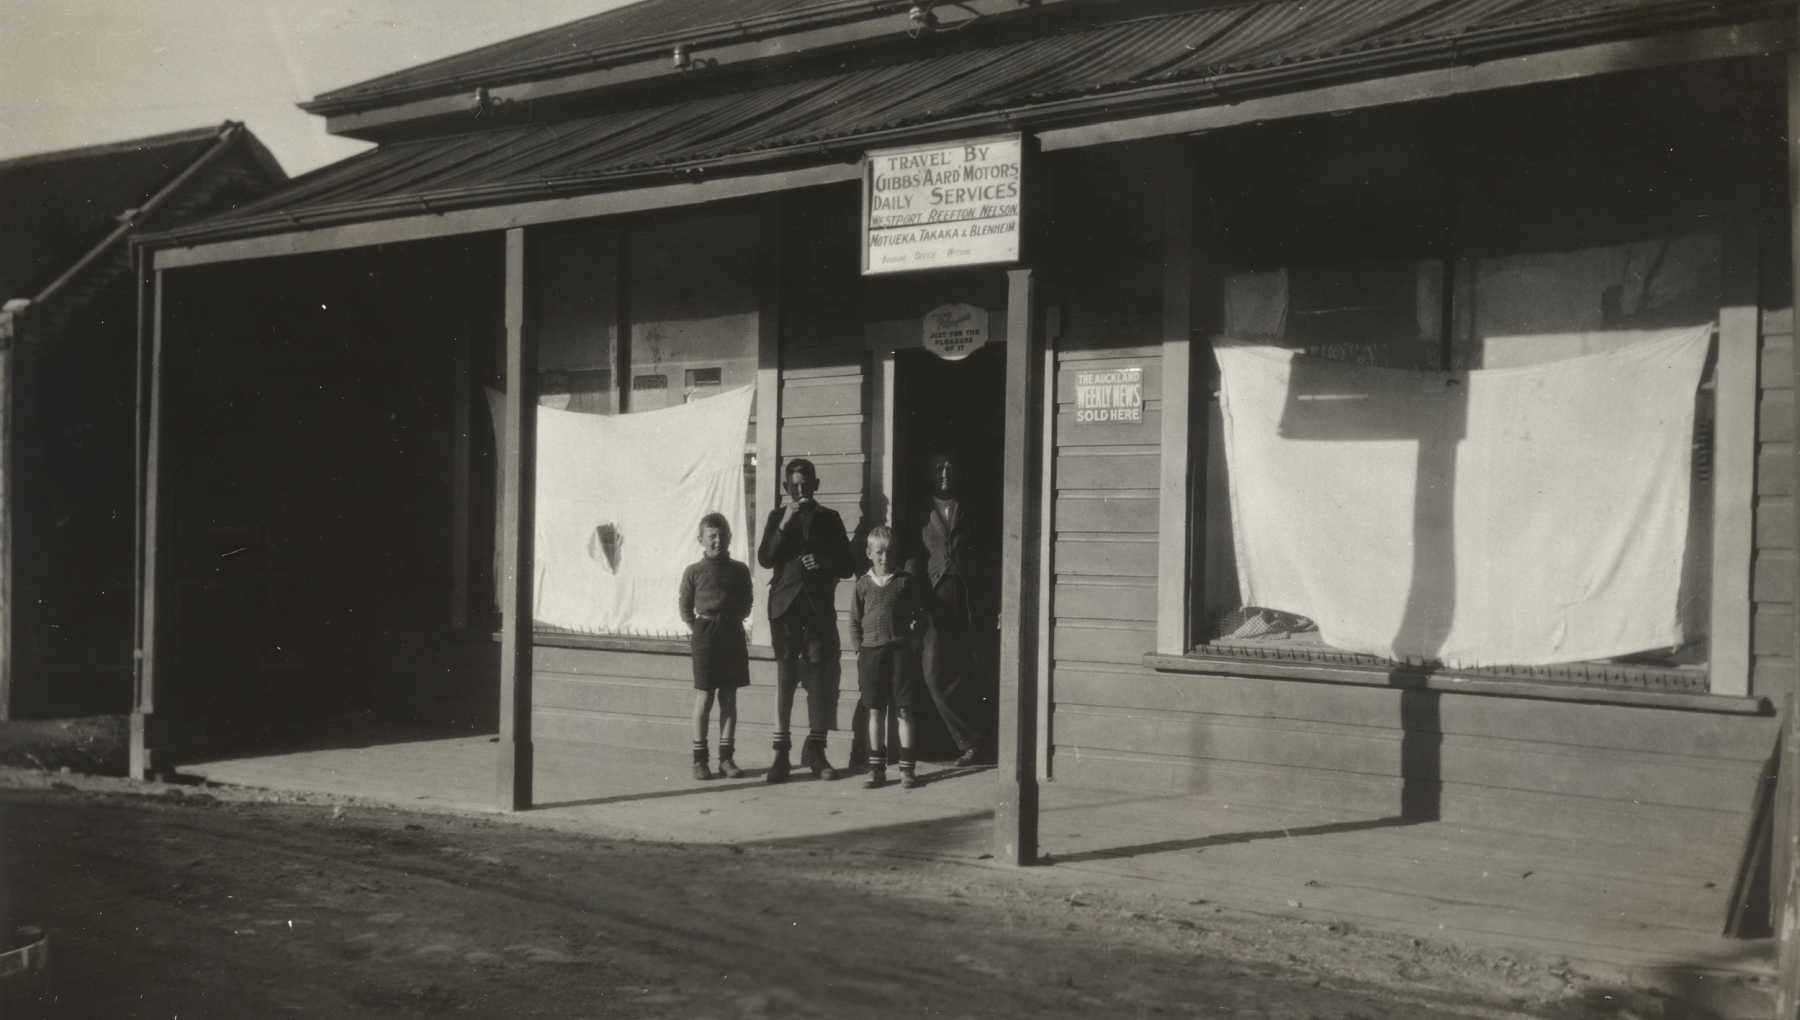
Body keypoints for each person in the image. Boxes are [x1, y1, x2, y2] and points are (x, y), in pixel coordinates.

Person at [757, 458, 855, 782]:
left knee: (816, 682)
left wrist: (823, 561)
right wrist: (784, 524)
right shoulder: (777, 517)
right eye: (794, 486)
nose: (801, 491)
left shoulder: (831, 519)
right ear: (786, 488)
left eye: (806, 485)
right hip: (785, 609)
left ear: (816, 484)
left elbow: (847, 566)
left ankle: (817, 752)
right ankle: (781, 757)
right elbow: (765, 558)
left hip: (817, 610)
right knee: (785, 681)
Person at [907, 451, 992, 767]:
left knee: (969, 670)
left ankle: (974, 744)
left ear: (959, 473)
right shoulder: (919, 511)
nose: (944, 472)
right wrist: (915, 601)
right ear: (930, 474)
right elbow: (913, 559)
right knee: (933, 673)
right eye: (938, 467)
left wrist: (994, 602)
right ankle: (971, 739)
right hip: (934, 599)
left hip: (968, 600)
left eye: (950, 466)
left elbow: (987, 558)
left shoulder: (972, 510)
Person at [679, 512, 753, 781]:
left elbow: (747, 602)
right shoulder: (694, 572)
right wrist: (701, 629)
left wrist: (730, 620)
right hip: (706, 635)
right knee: (705, 697)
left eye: (722, 535)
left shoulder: (740, 570)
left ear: (730, 537)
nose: (718, 540)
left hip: (732, 632)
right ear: (701, 539)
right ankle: (700, 760)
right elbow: (686, 608)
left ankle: (726, 759)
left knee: (729, 698)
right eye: (712, 535)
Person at [849, 527, 924, 790]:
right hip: (871, 655)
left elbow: (921, 617)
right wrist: (860, 650)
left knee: (904, 709)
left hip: (900, 654)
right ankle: (876, 769)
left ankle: (907, 769)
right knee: (876, 711)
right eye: (879, 552)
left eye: (890, 552)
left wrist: (913, 642)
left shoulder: (905, 581)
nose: (885, 558)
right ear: (869, 554)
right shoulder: (862, 585)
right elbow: (854, 623)